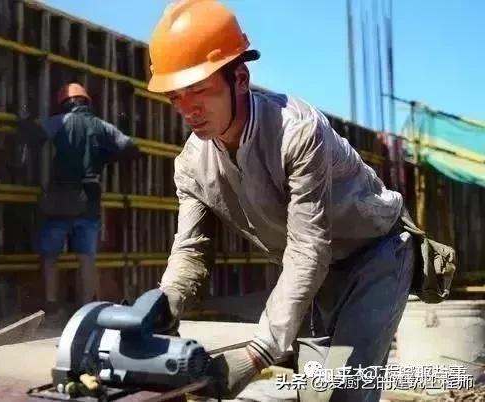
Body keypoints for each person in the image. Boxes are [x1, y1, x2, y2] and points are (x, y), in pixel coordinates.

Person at [146, 1, 429, 401]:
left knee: (345, 393)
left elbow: (308, 246)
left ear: (240, 78)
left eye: (199, 90)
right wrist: (161, 307)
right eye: (175, 96)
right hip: (314, 273)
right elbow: (192, 251)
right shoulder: (191, 165)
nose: (188, 109)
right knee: (314, 394)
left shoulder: (297, 132)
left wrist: (259, 351)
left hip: (375, 257)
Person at [18, 83, 141, 315]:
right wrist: (105, 157)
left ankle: (51, 304)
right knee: (86, 257)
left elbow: (35, 136)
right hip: (90, 198)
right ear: (86, 102)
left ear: (65, 103)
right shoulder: (102, 126)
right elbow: (131, 147)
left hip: (60, 196)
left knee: (50, 255)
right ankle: (85, 309)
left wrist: (23, 122)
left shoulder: (60, 121)